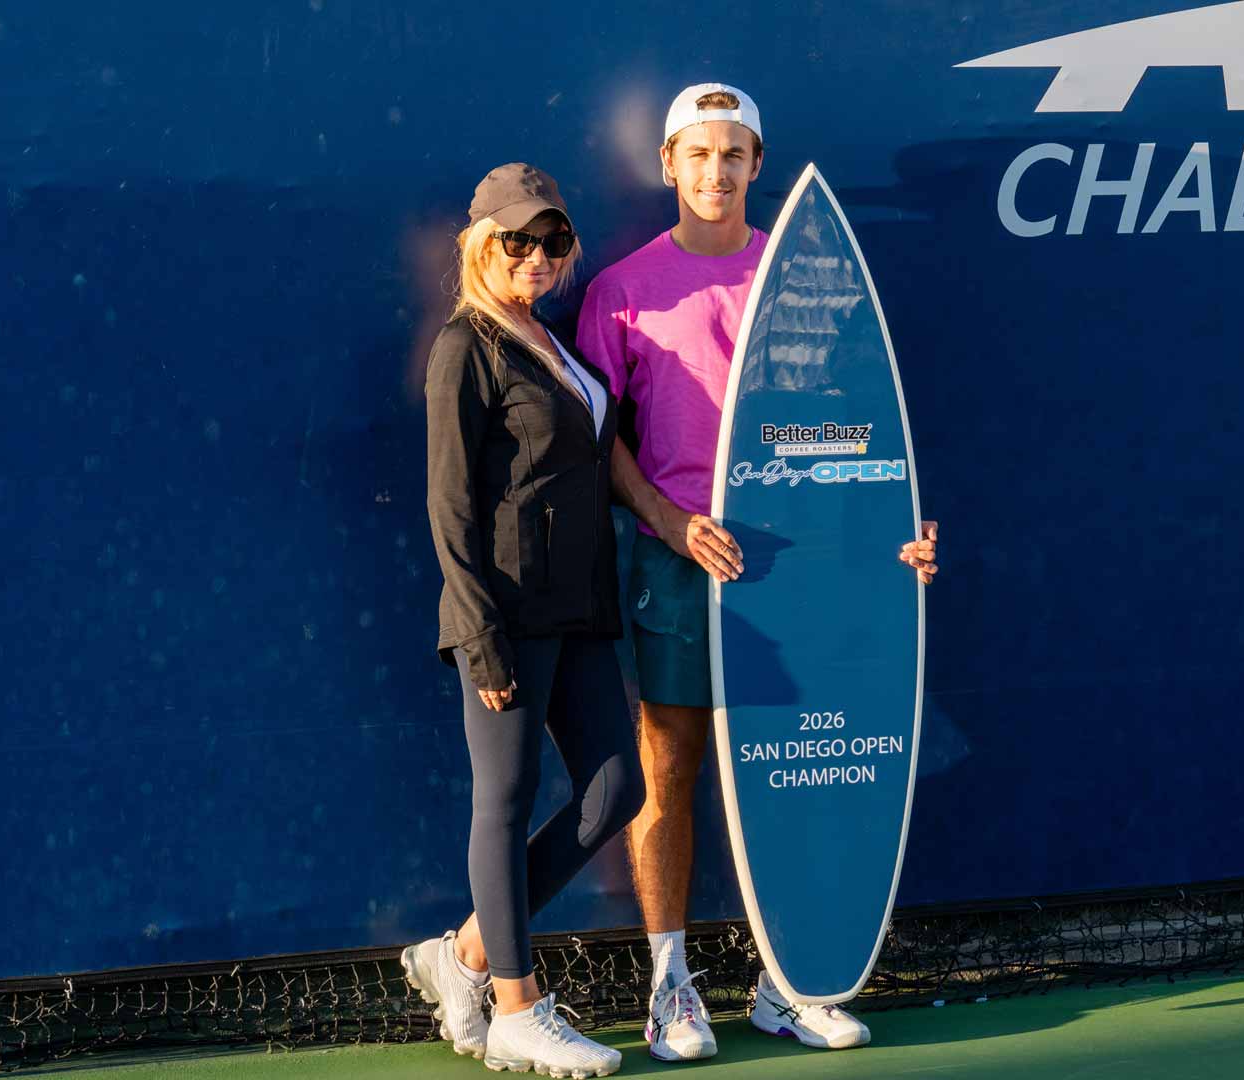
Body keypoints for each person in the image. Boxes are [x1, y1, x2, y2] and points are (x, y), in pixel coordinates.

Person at [577, 83, 941, 1063]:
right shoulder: (622, 291)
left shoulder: (809, 281)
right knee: (670, 770)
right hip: (680, 564)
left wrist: (892, 534)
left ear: (757, 164)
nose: (716, 171)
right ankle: (670, 989)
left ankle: (792, 983)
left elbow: (854, 430)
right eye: (698, 153)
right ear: (668, 164)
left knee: (800, 769)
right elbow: (597, 439)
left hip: (805, 570)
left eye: (733, 153)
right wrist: (669, 521)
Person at [401, 163, 641, 1078]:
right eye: (517, 239)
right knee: (503, 800)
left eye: (553, 239)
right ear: (481, 243)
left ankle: (463, 953)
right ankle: (516, 1005)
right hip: (505, 612)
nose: (536, 255)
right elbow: (450, 506)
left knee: (617, 792)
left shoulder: (551, 340)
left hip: (580, 607)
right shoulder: (464, 347)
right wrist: (477, 631)